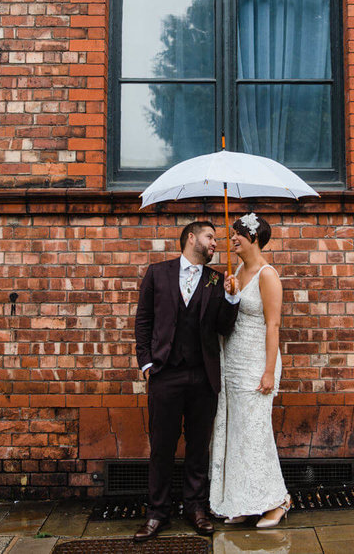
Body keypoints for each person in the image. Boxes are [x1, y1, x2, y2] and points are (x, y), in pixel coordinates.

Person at [133, 220, 240, 542]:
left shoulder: (217, 279)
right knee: (161, 447)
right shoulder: (158, 273)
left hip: (202, 374)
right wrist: (147, 362)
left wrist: (232, 300)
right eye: (210, 237)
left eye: (217, 239)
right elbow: (144, 320)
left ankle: (195, 508)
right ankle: (157, 512)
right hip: (165, 373)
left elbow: (224, 328)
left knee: (197, 447)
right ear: (191, 238)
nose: (215, 244)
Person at [210, 212, 291, 528]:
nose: (232, 240)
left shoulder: (267, 275)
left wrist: (269, 371)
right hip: (233, 361)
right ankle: (246, 500)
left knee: (256, 432)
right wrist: (230, 293)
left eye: (237, 235)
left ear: (253, 238)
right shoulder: (239, 270)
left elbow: (273, 325)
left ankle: (278, 500)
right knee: (238, 433)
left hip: (258, 363)